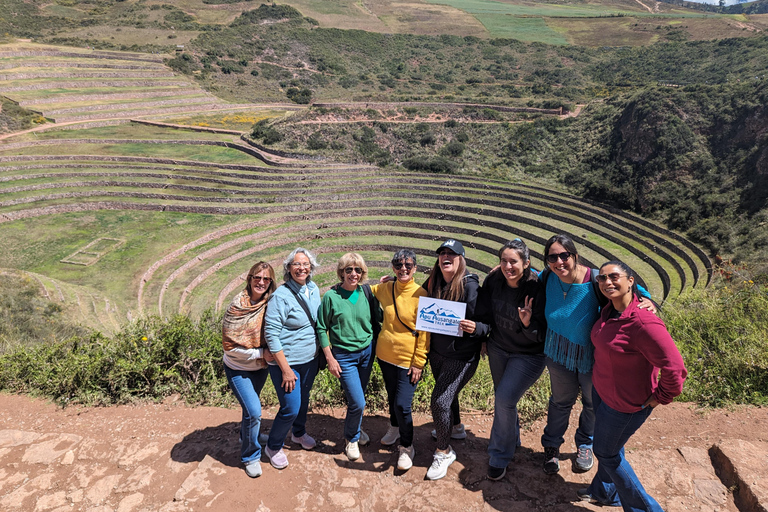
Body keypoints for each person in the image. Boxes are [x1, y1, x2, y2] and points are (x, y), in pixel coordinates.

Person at [540, 234, 656, 475]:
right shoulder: (547, 276)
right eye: (553, 257)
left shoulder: (594, 278)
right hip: (558, 353)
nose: (559, 262)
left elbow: (636, 287)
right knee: (560, 401)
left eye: (564, 256)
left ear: (575, 256)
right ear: (547, 261)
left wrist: (647, 301)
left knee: (592, 404)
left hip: (593, 357)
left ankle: (585, 444)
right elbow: (524, 277)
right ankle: (551, 446)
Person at [578, 261, 686, 510]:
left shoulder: (643, 322)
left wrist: (661, 396)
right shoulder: (609, 310)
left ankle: (645, 509)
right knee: (613, 446)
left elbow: (675, 368)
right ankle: (604, 492)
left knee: (606, 452)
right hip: (604, 394)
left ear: (631, 281)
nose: (607, 282)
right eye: (602, 278)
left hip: (626, 405)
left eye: (614, 277)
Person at [466, 239, 546, 481]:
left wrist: (527, 323)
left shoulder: (537, 288)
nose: (508, 266)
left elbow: (542, 333)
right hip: (499, 348)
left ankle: (499, 455)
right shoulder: (494, 280)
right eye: (504, 261)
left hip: (530, 354)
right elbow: (486, 313)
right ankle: (512, 439)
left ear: (527, 264)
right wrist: (483, 337)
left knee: (503, 399)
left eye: (514, 261)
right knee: (505, 401)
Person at [422, 239, 482, 480]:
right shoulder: (434, 281)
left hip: (462, 356)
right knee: (448, 396)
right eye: (442, 253)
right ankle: (455, 428)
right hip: (438, 353)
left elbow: (486, 323)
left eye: (452, 254)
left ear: (461, 259)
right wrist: (394, 283)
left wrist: (476, 327)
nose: (446, 257)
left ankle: (444, 451)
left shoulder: (470, 287)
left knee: (439, 400)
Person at [316, 253, 381, 461]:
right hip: (343, 356)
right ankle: (351, 438)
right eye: (349, 270)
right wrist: (330, 358)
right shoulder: (331, 297)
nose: (353, 274)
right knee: (358, 402)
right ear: (341, 272)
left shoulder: (365, 293)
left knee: (358, 396)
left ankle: (356, 428)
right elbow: (321, 327)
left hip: (366, 352)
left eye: (358, 270)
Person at [370, 249, 429, 472]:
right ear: (393, 268)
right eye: (398, 265)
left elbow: (425, 333)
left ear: (415, 268)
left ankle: (407, 446)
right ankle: (394, 428)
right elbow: (368, 291)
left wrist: (418, 362)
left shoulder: (421, 294)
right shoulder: (386, 288)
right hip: (385, 355)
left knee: (403, 404)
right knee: (392, 396)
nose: (403, 269)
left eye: (408, 265)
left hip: (408, 359)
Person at [263, 247, 322, 470]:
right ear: (288, 268)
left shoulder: (313, 289)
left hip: (310, 360)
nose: (301, 268)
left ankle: (298, 433)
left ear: (311, 267)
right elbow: (271, 334)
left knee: (303, 399)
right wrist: (286, 370)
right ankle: (273, 446)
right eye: (296, 264)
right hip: (287, 363)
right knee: (290, 406)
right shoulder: (281, 296)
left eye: (305, 264)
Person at [222, 261, 276, 478]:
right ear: (250, 278)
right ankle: (250, 456)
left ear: (271, 282)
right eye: (257, 277)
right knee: (254, 410)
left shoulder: (269, 302)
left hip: (259, 368)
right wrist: (260, 354)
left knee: (248, 410)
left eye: (266, 279)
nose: (261, 282)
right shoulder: (238, 305)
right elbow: (230, 346)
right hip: (238, 367)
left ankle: (248, 436)